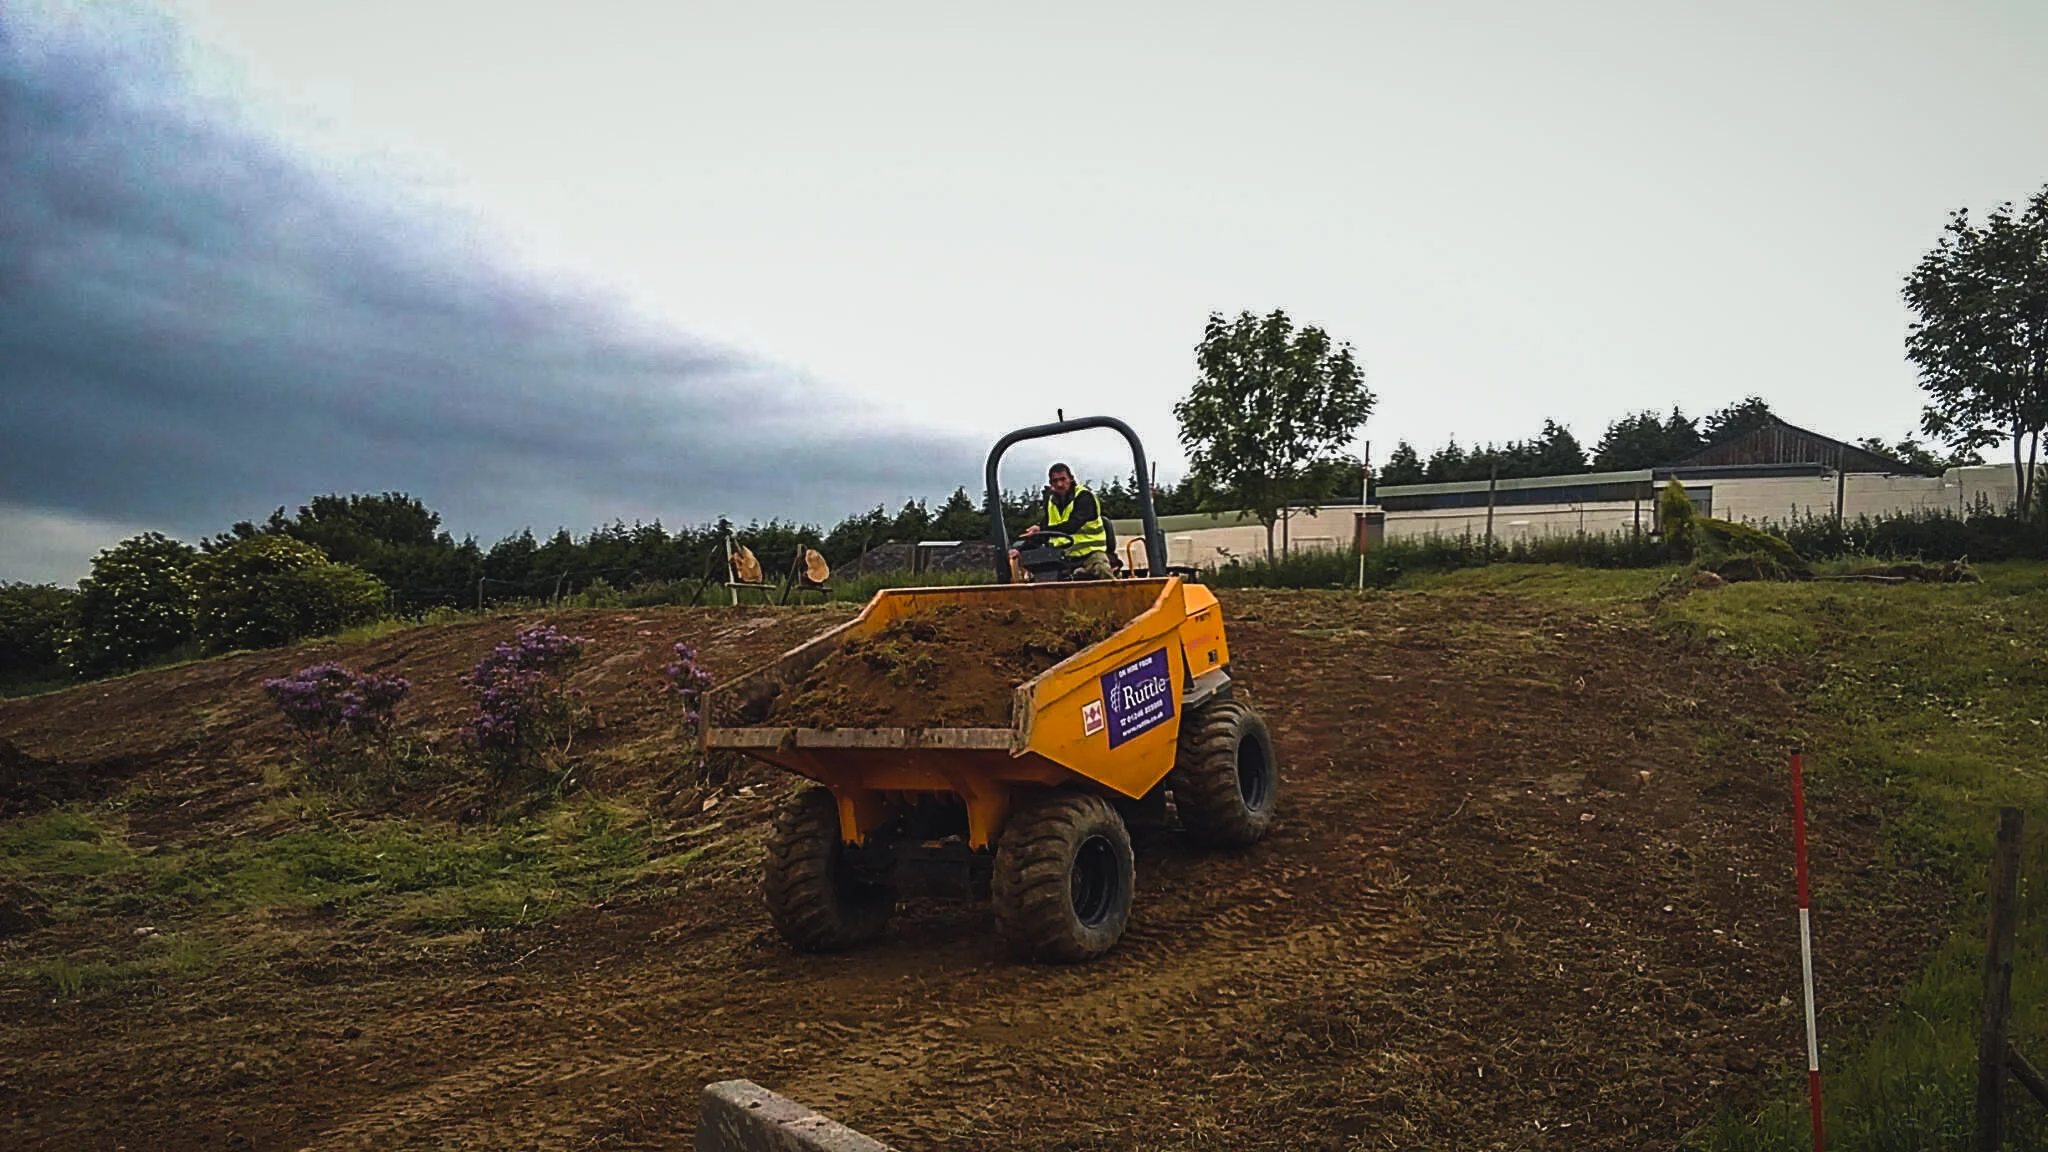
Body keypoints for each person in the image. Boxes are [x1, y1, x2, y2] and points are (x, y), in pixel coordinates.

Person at [1011, 462, 1114, 580]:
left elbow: (1072, 525)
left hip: (1090, 554)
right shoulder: (1052, 503)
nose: (1059, 484)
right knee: (1040, 577)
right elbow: (1045, 533)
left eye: (1063, 479)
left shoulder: (1084, 497)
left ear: (1071, 479)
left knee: (1101, 569)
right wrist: (1020, 550)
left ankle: (1117, 595)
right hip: (1062, 557)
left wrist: (1042, 529)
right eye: (1055, 481)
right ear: (1050, 483)